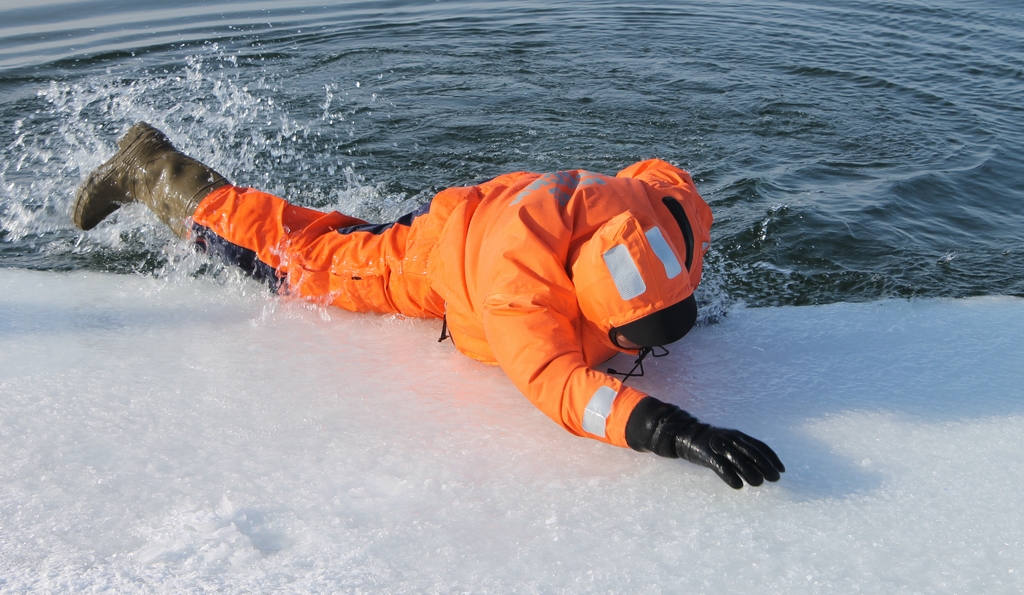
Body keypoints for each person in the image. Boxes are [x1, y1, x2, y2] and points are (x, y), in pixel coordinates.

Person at [73, 122, 785, 489]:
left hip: (496, 205)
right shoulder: (519, 292)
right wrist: (681, 432)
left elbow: (666, 178)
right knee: (303, 262)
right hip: (446, 253)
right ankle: (154, 169)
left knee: (343, 236)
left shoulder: (655, 214)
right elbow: (565, 391)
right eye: (629, 339)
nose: (640, 353)